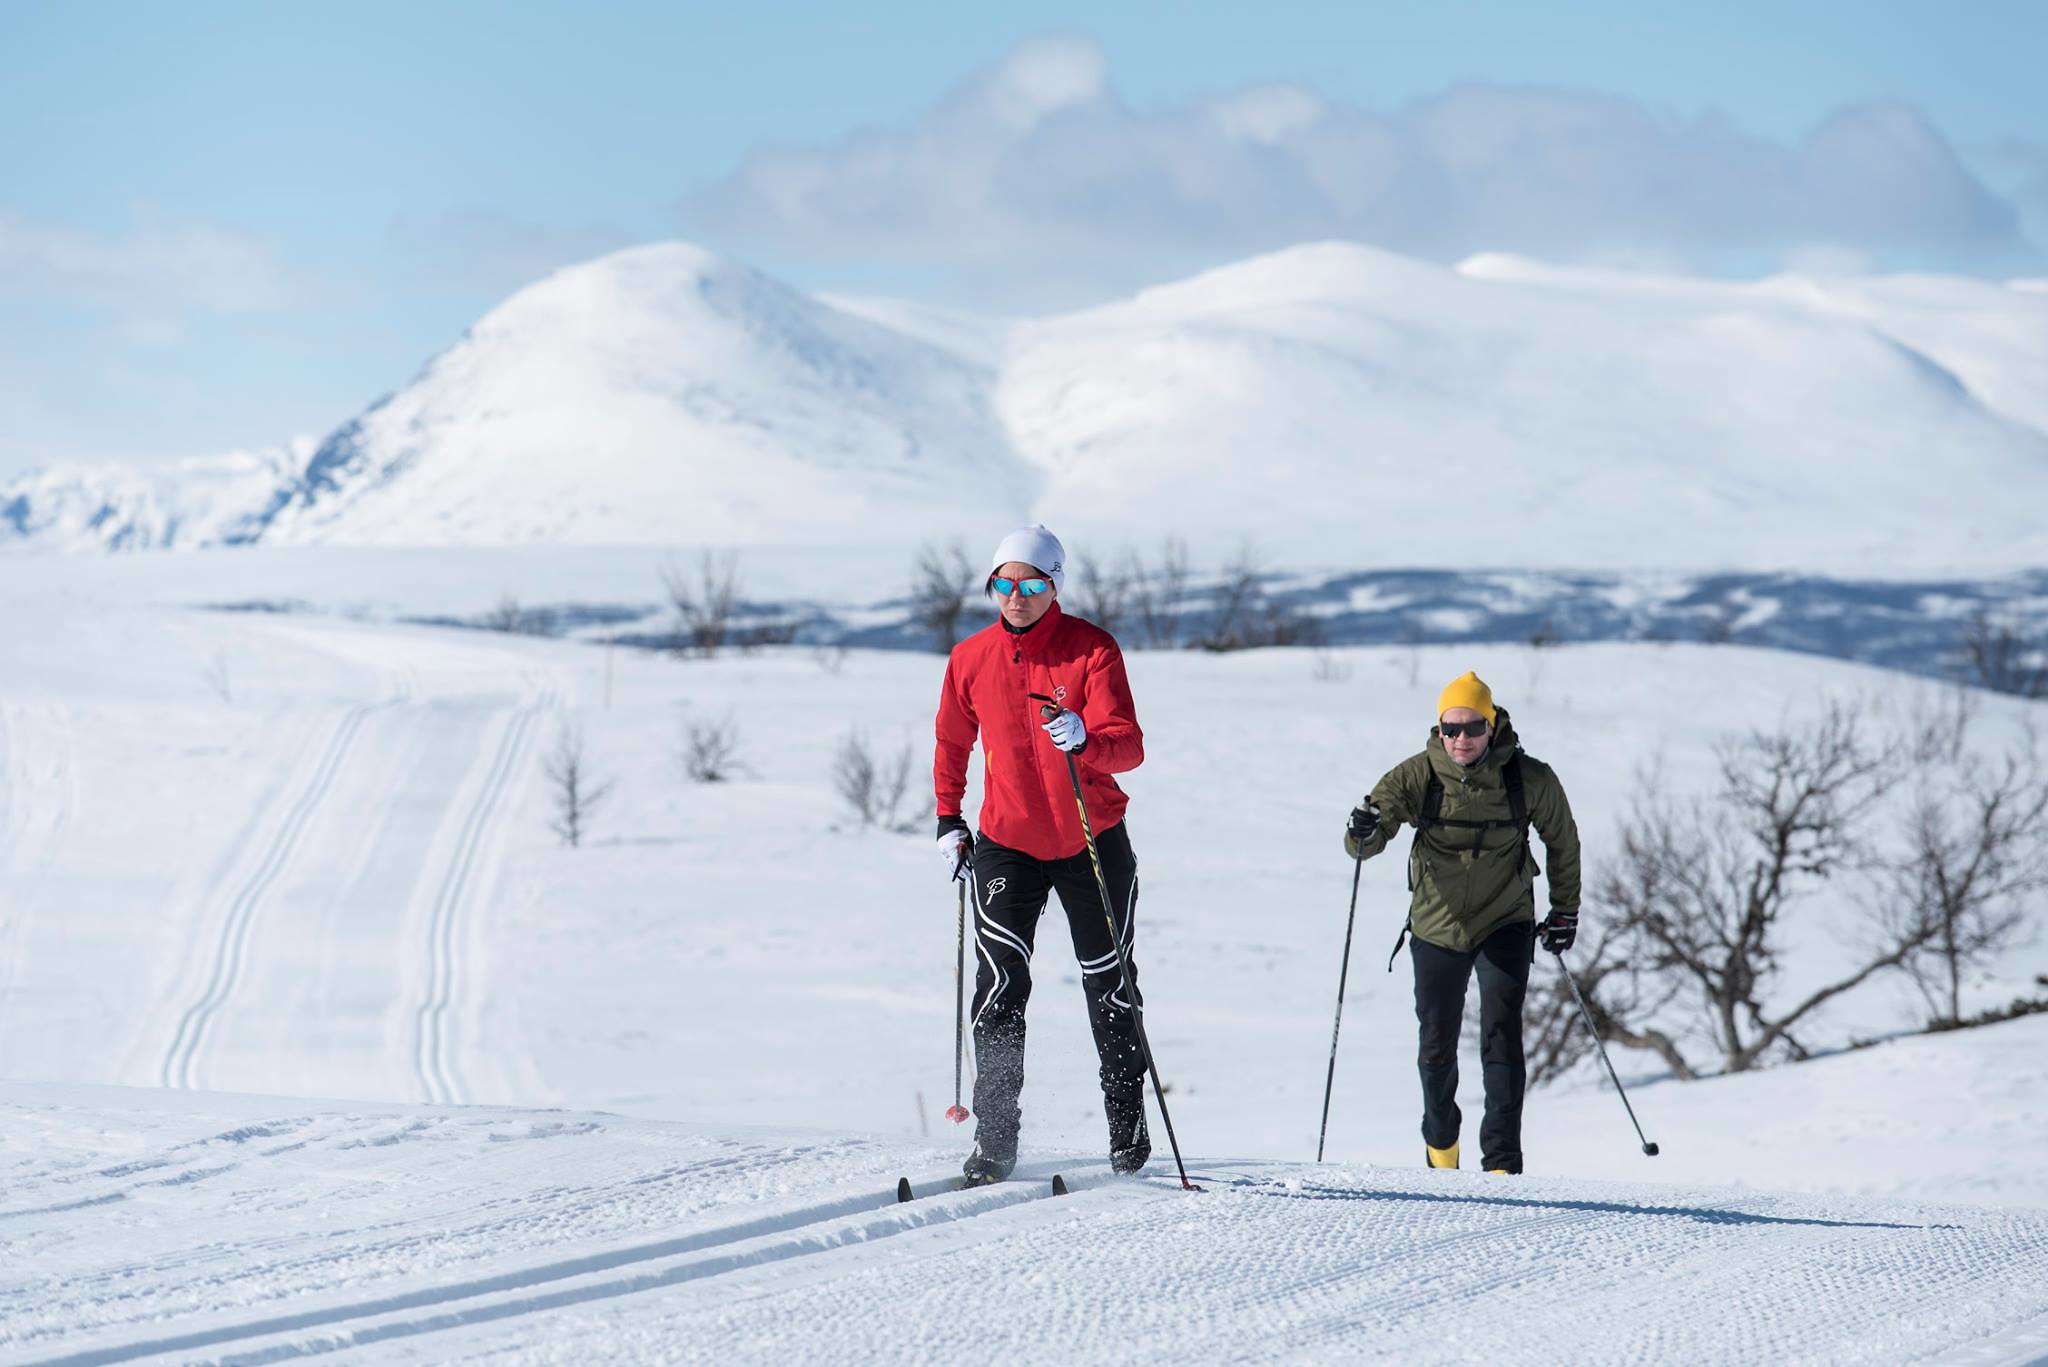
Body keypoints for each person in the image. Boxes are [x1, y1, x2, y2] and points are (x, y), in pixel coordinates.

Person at [933, 525, 1151, 1186]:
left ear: (1054, 584)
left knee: (1109, 983)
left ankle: (1127, 1126)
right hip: (1007, 842)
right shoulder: (970, 657)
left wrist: (1087, 737)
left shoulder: (1090, 649)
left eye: (1031, 584)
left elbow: (1129, 745)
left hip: (1090, 839)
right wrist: (949, 816)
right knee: (999, 987)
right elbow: (951, 741)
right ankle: (995, 1139)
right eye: (1004, 583)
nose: (1017, 596)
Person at [1343, 671, 1581, 1174]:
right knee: (1435, 1041)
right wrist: (1362, 831)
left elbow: (1562, 841)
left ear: (1492, 726)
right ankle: (1441, 1151)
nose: (1461, 739)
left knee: (1501, 1032)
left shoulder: (1529, 777)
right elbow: (1368, 834)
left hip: (1506, 918)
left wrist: (1565, 910)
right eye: (1450, 729)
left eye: (1472, 727)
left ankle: (1501, 1163)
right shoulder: (1417, 775)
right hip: (1437, 924)